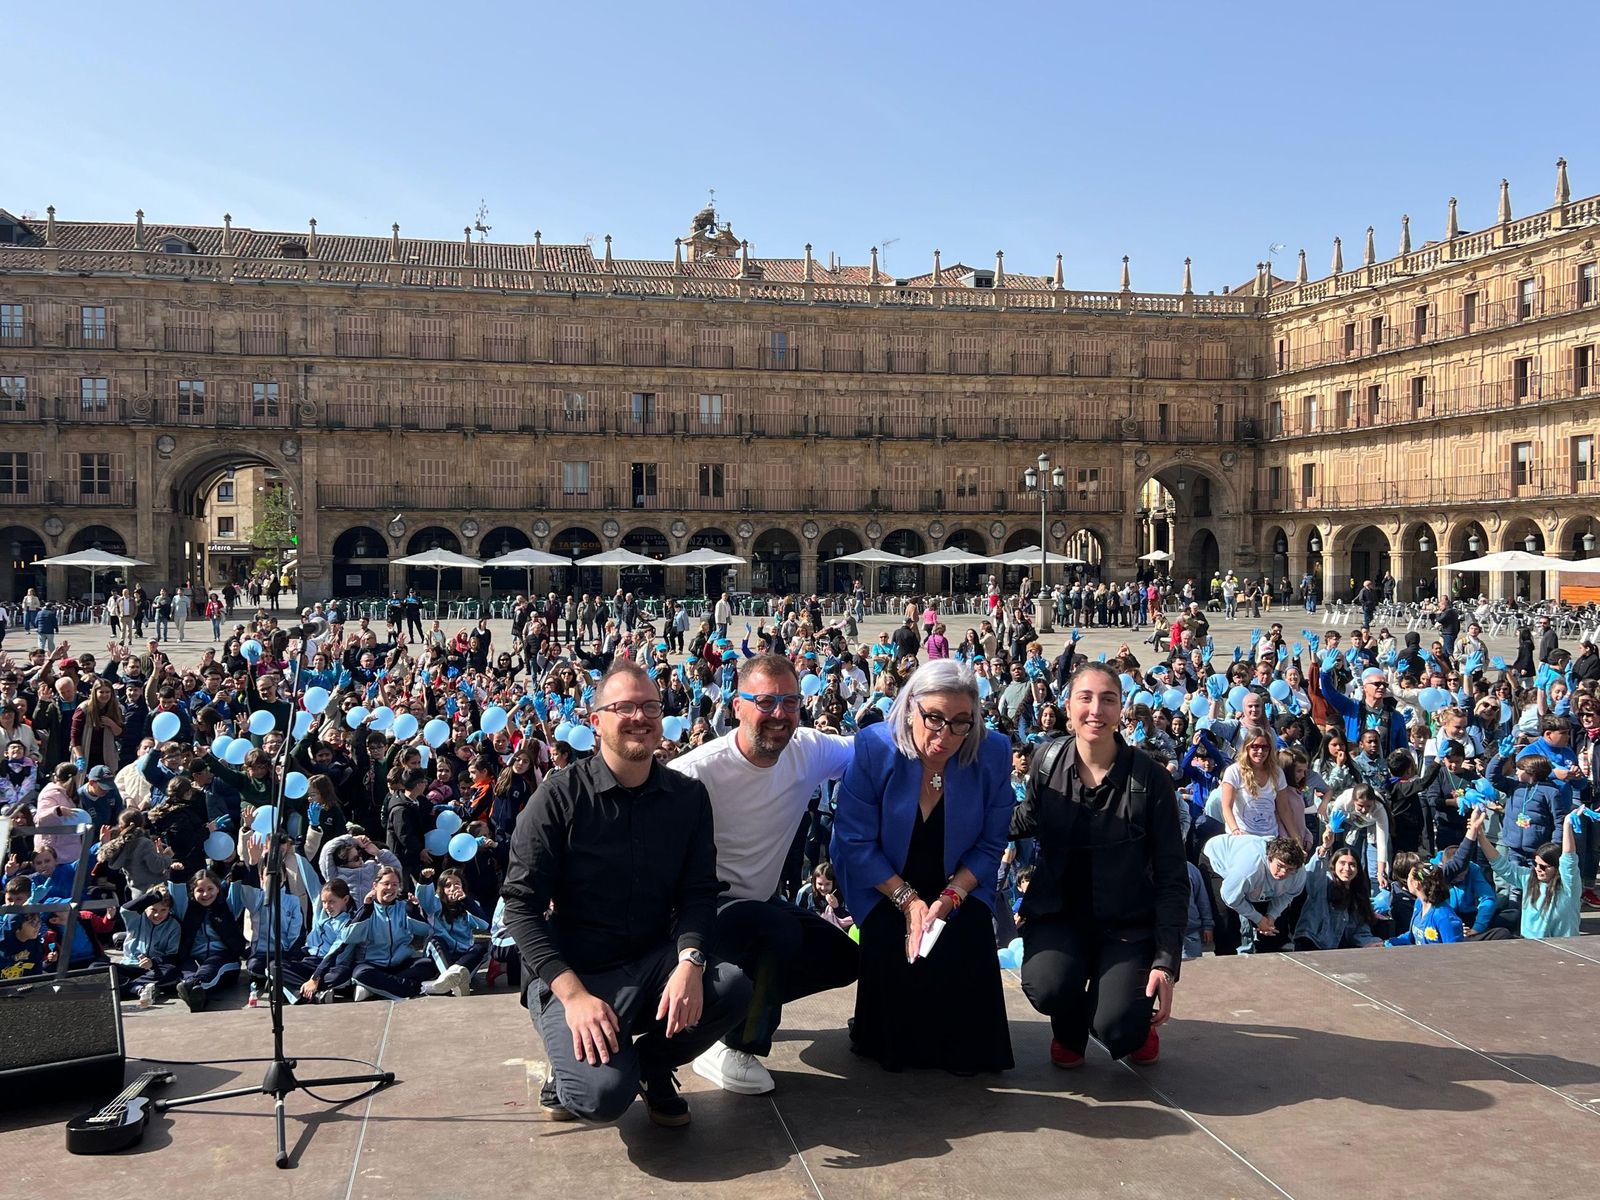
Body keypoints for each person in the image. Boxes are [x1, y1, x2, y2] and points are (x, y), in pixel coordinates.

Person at [501, 661, 752, 1127]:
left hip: (652, 960)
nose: (640, 717)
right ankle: (578, 1068)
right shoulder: (559, 797)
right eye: (625, 707)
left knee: (732, 987)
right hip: (578, 970)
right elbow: (520, 906)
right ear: (596, 721)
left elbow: (699, 892)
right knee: (600, 1099)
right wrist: (573, 995)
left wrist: (690, 962)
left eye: (651, 707)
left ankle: (653, 1066)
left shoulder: (688, 797)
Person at [669, 653, 859, 1096]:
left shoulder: (807, 751)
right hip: (702, 912)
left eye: (790, 702)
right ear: (738, 706)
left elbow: (869, 747)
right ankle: (732, 1043)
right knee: (774, 930)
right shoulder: (696, 773)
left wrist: (930, 717)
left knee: (842, 958)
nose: (780, 714)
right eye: (766, 701)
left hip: (759, 900)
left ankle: (727, 1014)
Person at [831, 657, 1014, 1074]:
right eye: (933, 718)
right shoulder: (875, 747)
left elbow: (990, 844)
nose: (945, 735)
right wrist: (908, 900)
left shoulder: (993, 752)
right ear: (910, 707)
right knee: (893, 945)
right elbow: (855, 840)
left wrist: (950, 898)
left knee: (967, 941)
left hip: (959, 882)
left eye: (959, 722)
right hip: (884, 879)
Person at [1008, 662, 1188, 1067]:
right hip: (1060, 915)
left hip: (1126, 924)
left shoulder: (1149, 779)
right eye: (1085, 698)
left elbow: (1173, 874)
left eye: (1108, 700)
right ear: (1067, 707)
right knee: (1049, 986)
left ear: (1121, 708)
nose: (1096, 710)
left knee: (1119, 1030)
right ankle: (1070, 1029)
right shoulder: (1047, 760)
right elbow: (1025, 819)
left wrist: (1165, 962)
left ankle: (1122, 1014)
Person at [1454, 806, 1583, 939]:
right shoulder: (1529, 878)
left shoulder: (1568, 886)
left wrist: (1567, 824)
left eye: (1544, 866)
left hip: (1565, 946)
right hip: (1530, 945)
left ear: (1557, 868)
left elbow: (1569, 858)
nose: (1538, 869)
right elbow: (1501, 865)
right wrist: (1480, 835)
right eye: (1535, 864)